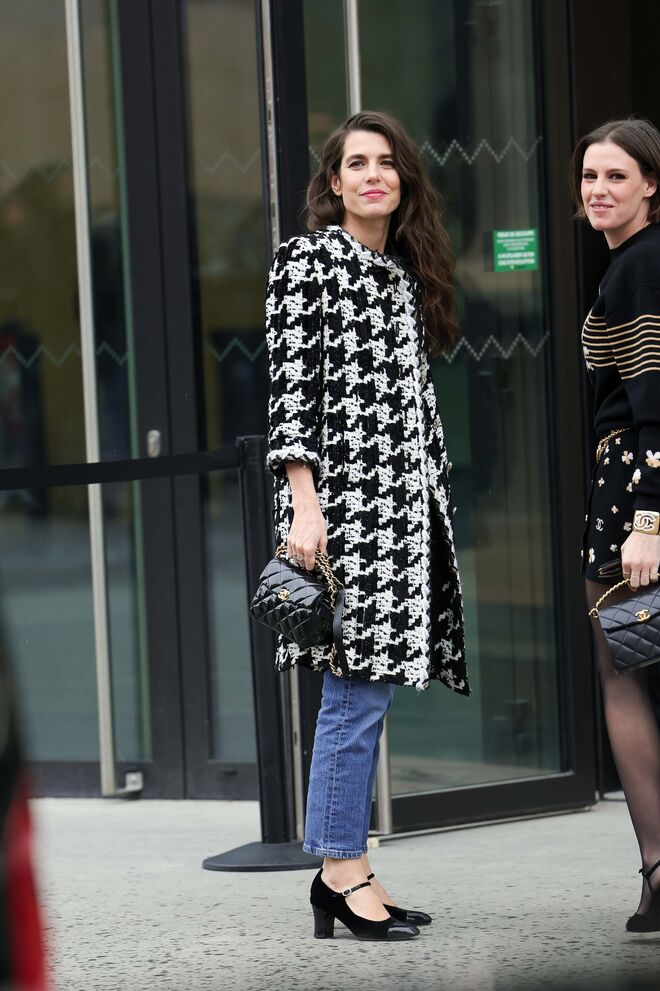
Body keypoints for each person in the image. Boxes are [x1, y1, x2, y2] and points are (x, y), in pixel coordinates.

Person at [264, 111, 469, 942]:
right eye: (357, 163)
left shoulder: (402, 272)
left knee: (368, 692)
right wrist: (304, 505)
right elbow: (291, 393)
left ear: (404, 181)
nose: (373, 175)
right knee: (352, 692)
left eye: (387, 162)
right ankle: (342, 872)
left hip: (404, 515)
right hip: (343, 514)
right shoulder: (309, 260)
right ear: (334, 181)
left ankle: (347, 869)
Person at [572, 118, 660, 932]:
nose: (599, 190)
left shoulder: (642, 264)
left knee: (625, 678)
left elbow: (654, 399)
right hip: (627, 489)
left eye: (617, 176)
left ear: (651, 186)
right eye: (590, 177)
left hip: (638, 492)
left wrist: (647, 518)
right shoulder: (626, 264)